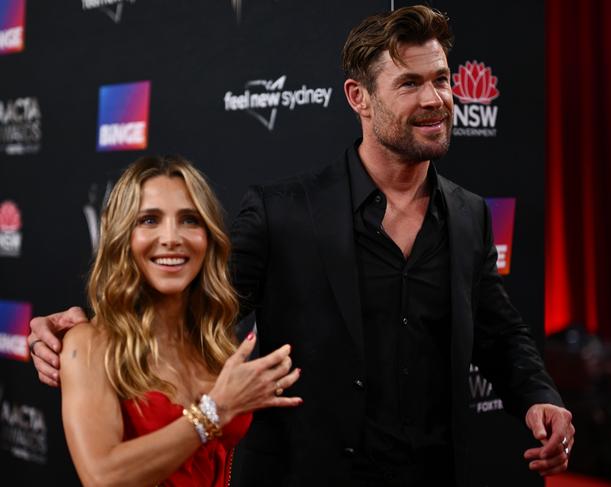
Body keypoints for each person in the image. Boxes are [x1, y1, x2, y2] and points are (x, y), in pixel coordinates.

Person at [29, 6, 574, 487]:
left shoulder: (469, 215)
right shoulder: (281, 210)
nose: (435, 100)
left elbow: (500, 332)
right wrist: (85, 330)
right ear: (358, 97)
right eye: (410, 84)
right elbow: (197, 301)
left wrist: (539, 396)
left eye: (442, 80)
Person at [52, 155, 301, 487]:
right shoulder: (90, 343)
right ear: (122, 235)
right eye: (150, 220)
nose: (172, 237)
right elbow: (103, 477)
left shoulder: (215, 348)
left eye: (189, 220)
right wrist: (215, 411)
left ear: (208, 236)